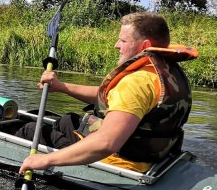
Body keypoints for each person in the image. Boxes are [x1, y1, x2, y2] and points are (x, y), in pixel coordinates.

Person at [18, 11, 197, 175]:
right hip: (155, 155)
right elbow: (116, 98)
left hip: (121, 162)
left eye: (123, 41)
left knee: (31, 130)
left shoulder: (136, 82)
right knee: (67, 121)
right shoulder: (166, 71)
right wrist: (61, 87)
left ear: (145, 46)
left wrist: (46, 160)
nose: (116, 45)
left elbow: (106, 143)